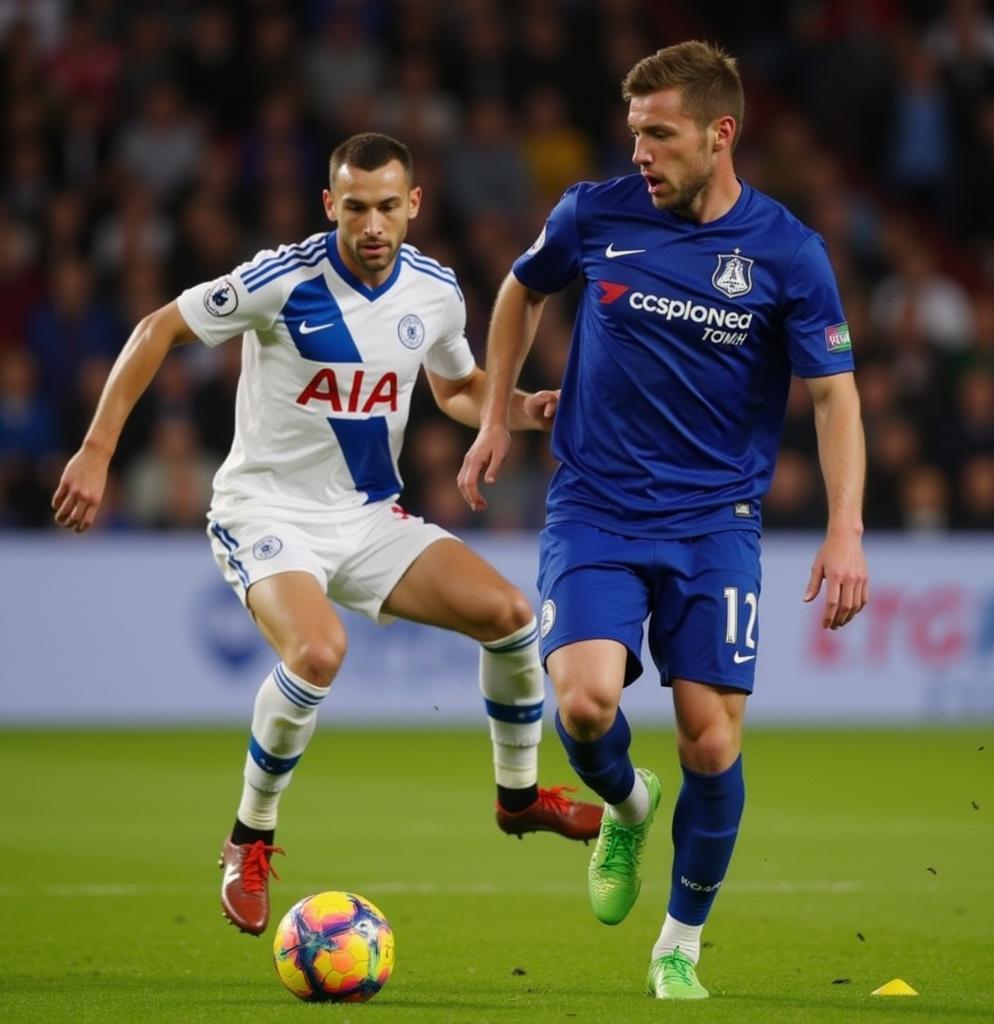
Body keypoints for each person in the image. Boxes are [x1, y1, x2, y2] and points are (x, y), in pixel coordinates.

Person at [52, 132, 601, 937]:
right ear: (329, 205)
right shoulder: (282, 280)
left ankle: (517, 799)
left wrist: (516, 408)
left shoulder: (434, 291)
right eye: (355, 207)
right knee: (317, 652)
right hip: (265, 510)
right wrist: (97, 450)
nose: (372, 224)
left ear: (414, 204)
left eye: (387, 206)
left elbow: (456, 387)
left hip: (367, 515)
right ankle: (249, 838)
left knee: (511, 616)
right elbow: (155, 330)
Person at [458, 42, 869, 1000]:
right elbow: (522, 288)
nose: (639, 151)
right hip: (597, 505)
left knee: (712, 742)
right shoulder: (594, 214)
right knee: (587, 704)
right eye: (634, 131)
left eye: (660, 134)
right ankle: (630, 806)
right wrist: (495, 411)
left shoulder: (788, 253)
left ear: (721, 135)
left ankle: (679, 942)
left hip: (715, 520)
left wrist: (846, 529)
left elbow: (835, 398)